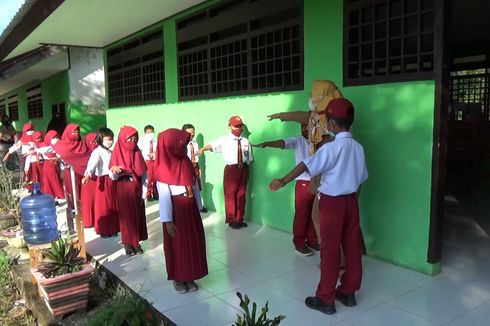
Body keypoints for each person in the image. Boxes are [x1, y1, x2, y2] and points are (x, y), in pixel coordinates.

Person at [269, 98, 368, 315]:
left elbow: (306, 165)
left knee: (330, 249)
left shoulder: (331, 148)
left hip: (332, 203)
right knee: (351, 246)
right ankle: (349, 292)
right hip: (351, 201)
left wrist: (283, 180)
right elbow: (361, 179)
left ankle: (326, 298)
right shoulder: (359, 148)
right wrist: (352, 200)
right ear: (350, 122)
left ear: (331, 124)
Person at [154, 128, 208, 293]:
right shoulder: (163, 168)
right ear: (171, 146)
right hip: (176, 211)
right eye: (181, 144)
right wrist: (167, 219)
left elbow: (194, 185)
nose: (184, 148)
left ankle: (190, 276)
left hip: (190, 209)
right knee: (178, 245)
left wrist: (198, 206)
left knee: (192, 242)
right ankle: (179, 277)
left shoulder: (185, 163)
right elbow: (164, 197)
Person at [253, 124, 319, 256]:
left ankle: (313, 240)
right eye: (307, 126)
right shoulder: (299, 140)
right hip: (304, 183)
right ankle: (299, 243)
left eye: (313, 125)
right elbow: (283, 143)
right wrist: (267, 143)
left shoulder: (319, 141)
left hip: (318, 182)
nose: (310, 129)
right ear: (302, 129)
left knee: (315, 213)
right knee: (302, 214)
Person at [197, 115, 253, 229]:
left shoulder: (245, 141)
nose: (238, 128)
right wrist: (203, 149)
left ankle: (239, 218)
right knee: (230, 194)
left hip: (243, 169)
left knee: (242, 195)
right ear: (229, 127)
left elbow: (249, 158)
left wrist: (247, 171)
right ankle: (232, 219)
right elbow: (212, 145)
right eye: (236, 126)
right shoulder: (224, 140)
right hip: (231, 170)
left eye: (240, 126)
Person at [109, 126, 148, 255]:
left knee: (136, 216)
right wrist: (114, 169)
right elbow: (112, 175)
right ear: (122, 139)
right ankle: (128, 243)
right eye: (129, 138)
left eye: (134, 138)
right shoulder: (116, 152)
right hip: (122, 188)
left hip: (136, 188)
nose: (132, 141)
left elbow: (143, 174)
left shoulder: (137, 152)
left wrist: (144, 192)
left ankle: (136, 243)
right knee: (126, 218)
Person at [83, 128, 119, 238]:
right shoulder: (97, 152)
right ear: (101, 139)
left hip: (112, 179)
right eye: (108, 139)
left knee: (112, 205)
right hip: (103, 180)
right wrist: (88, 175)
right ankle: (104, 230)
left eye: (112, 139)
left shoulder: (111, 152)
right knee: (104, 206)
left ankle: (113, 228)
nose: (110, 141)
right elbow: (92, 165)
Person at [52, 124, 90, 210]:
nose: (76, 134)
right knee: (71, 190)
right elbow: (60, 154)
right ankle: (73, 207)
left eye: (77, 132)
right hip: (69, 171)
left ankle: (83, 207)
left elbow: (85, 156)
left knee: (81, 189)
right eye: (74, 132)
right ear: (68, 132)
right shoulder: (61, 144)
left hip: (80, 171)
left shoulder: (81, 144)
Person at [182, 123, 207, 213]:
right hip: (186, 168)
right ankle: (189, 207)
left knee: (197, 187)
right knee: (188, 188)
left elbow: (197, 156)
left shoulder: (195, 144)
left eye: (193, 132)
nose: (192, 135)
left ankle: (199, 206)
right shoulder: (182, 144)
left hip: (195, 166)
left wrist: (198, 167)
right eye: (189, 133)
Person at [3, 123, 36, 187]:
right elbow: (15, 146)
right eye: (28, 130)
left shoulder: (36, 136)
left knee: (35, 172)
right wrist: (8, 154)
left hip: (35, 157)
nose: (30, 131)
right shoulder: (22, 139)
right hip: (26, 157)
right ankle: (29, 186)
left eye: (31, 129)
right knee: (27, 171)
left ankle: (37, 185)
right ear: (24, 131)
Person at [39, 131, 65, 204]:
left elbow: (61, 158)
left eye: (57, 137)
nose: (56, 139)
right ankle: (51, 199)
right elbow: (40, 152)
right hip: (48, 166)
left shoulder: (58, 147)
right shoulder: (44, 147)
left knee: (56, 183)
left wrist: (62, 168)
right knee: (48, 183)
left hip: (56, 167)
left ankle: (56, 198)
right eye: (53, 138)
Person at [80, 132, 98, 227]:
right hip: (88, 181)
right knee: (88, 202)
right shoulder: (82, 154)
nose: (94, 143)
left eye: (96, 141)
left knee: (98, 202)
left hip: (99, 180)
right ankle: (88, 221)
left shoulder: (101, 151)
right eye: (92, 141)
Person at [138, 125, 158, 201]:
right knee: (148, 179)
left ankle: (156, 193)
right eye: (148, 132)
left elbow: (159, 150)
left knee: (156, 178)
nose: (150, 134)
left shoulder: (157, 141)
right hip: (147, 161)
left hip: (156, 161)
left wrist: (155, 152)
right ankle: (148, 194)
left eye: (151, 132)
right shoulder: (142, 141)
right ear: (145, 133)